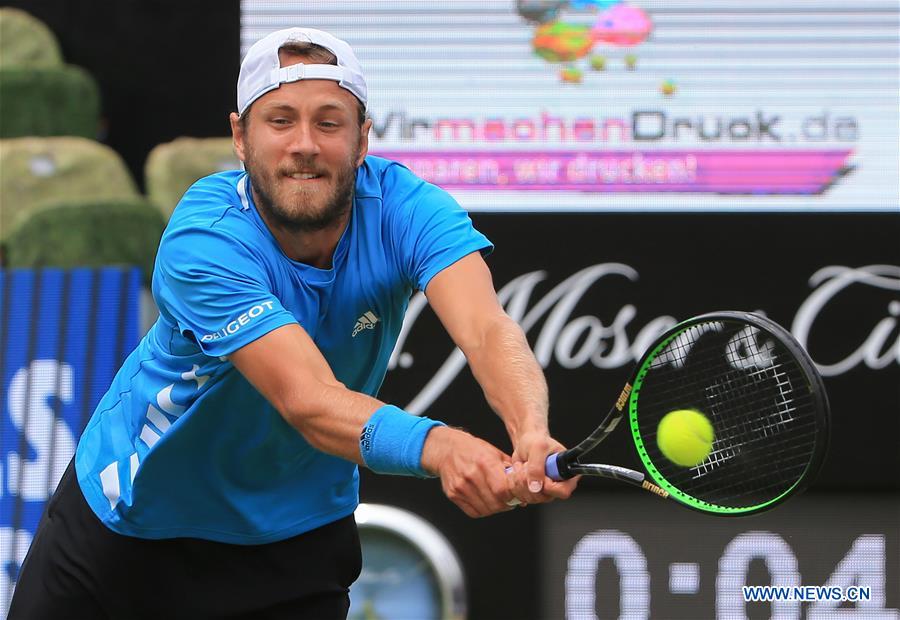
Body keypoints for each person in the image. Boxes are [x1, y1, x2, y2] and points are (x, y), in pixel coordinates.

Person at [9, 27, 577, 619]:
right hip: (130, 532)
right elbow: (306, 399)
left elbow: (486, 329)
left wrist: (530, 429)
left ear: (362, 141)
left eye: (329, 123)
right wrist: (441, 447)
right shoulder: (205, 238)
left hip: (293, 544)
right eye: (280, 120)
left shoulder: (408, 208)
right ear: (240, 138)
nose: (304, 144)